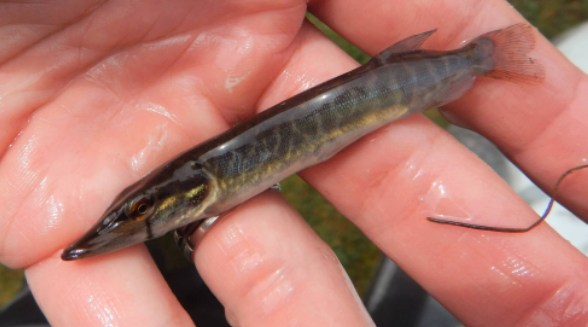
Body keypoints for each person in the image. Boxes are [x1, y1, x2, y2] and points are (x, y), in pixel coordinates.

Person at [0, 1, 586, 326]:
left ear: (185, 194)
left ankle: (486, 58)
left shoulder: (208, 183)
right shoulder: (205, 186)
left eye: (144, 207)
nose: (132, 218)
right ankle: (483, 59)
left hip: (400, 81)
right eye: (138, 208)